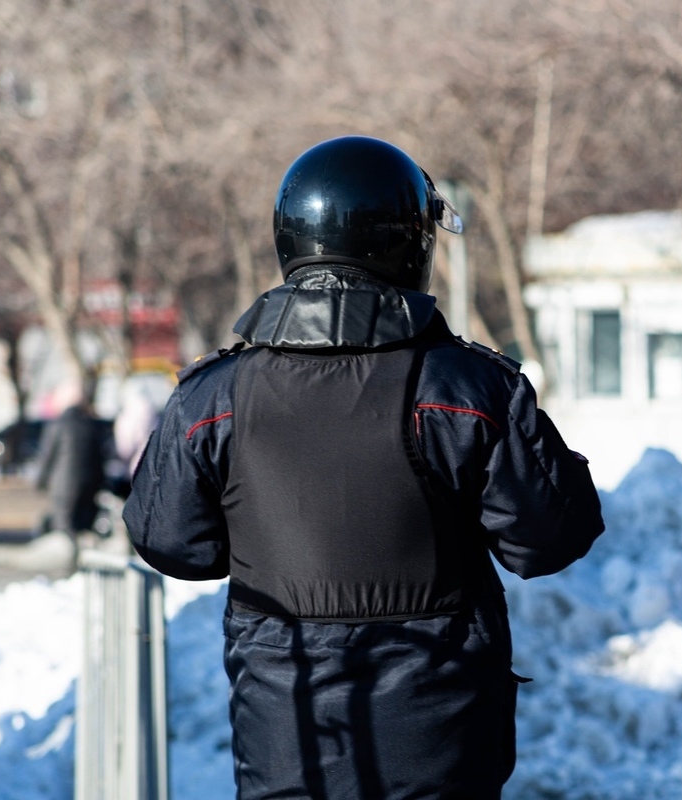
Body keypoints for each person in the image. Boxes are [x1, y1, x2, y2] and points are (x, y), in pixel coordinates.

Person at [123, 136, 605, 799]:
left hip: (287, 733)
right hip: (442, 738)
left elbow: (172, 543)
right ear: (411, 243)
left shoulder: (213, 396)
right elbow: (548, 539)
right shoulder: (469, 388)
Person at [35, 383, 106, 559]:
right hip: (90, 485)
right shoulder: (92, 424)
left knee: (66, 529)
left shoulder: (57, 425)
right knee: (84, 526)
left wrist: (41, 482)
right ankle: (82, 563)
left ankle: (69, 569)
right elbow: (100, 457)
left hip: (62, 486)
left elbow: (47, 456)